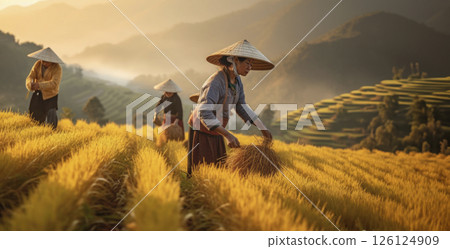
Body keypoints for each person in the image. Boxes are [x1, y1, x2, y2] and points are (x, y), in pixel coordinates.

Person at [187, 40, 274, 176]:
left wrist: (262, 127)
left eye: (251, 64)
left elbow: (241, 106)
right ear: (234, 61)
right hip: (202, 129)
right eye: (247, 63)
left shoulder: (237, 81)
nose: (250, 67)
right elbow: (204, 112)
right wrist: (227, 134)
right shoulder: (216, 82)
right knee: (204, 171)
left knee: (219, 169)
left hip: (217, 129)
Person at [25, 47, 64, 129]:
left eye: (46, 61)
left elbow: (54, 83)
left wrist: (39, 85)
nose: (44, 63)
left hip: (51, 95)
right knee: (33, 112)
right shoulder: (37, 64)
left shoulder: (57, 68)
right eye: (43, 60)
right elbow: (30, 77)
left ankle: (52, 132)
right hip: (38, 93)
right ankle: (36, 130)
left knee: (51, 114)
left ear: (52, 61)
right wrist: (30, 84)